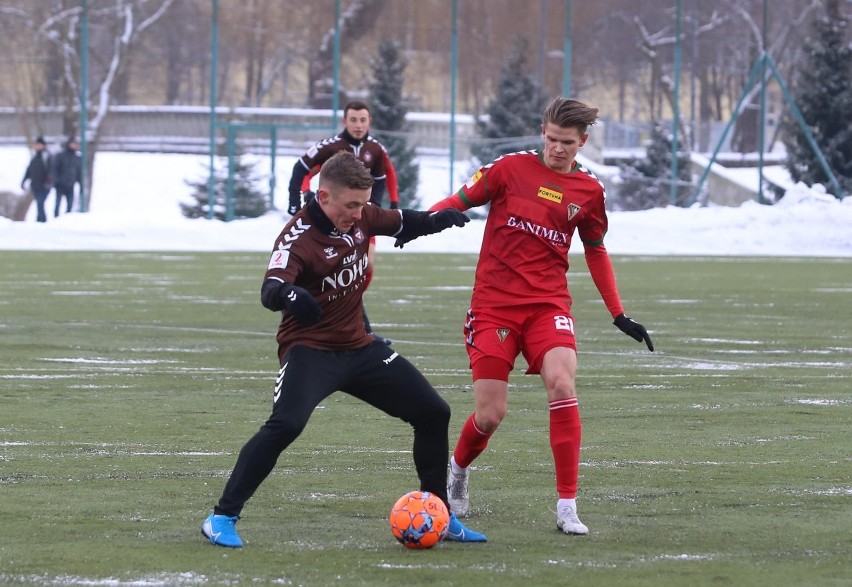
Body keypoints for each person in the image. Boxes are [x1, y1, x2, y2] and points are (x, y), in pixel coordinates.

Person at [201, 151, 486, 548]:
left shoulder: (362, 214)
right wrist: (290, 294)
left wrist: (437, 221)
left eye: (362, 204)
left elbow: (403, 220)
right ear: (323, 197)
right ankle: (221, 517)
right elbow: (270, 288)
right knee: (285, 425)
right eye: (350, 205)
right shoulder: (297, 239)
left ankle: (439, 512)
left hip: (360, 348)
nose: (358, 213)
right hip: (310, 350)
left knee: (433, 412)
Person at [414, 97, 655, 536]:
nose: (557, 149)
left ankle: (567, 506)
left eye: (567, 142)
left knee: (563, 382)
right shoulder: (509, 169)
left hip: (548, 306)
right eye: (551, 139)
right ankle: (459, 469)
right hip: (493, 306)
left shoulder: (589, 191)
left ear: (582, 142)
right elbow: (460, 200)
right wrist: (417, 222)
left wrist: (618, 313)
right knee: (490, 414)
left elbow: (596, 250)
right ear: (541, 133)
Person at [287, 100, 393, 343]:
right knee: (338, 270)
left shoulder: (375, 149)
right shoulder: (331, 146)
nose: (358, 125)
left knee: (361, 270)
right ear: (345, 121)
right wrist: (295, 202)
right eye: (353, 120)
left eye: (362, 120)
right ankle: (359, 331)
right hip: (331, 218)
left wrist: (373, 209)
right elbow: (299, 168)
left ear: (369, 122)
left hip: (359, 219)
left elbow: (382, 179)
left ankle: (352, 326)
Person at [21, 136, 53, 223]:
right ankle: (40, 219)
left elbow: (51, 170)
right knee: (39, 203)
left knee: (40, 202)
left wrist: (48, 180)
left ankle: (42, 220)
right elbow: (29, 170)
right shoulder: (34, 157)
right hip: (35, 185)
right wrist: (24, 181)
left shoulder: (46, 157)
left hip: (44, 185)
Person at [52, 136, 82, 217]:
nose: (74, 146)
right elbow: (55, 168)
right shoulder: (61, 156)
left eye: (75, 144)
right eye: (72, 144)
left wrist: (79, 183)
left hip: (70, 184)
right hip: (60, 184)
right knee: (58, 204)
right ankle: (56, 219)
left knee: (70, 205)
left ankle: (66, 220)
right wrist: (56, 180)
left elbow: (78, 172)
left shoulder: (77, 158)